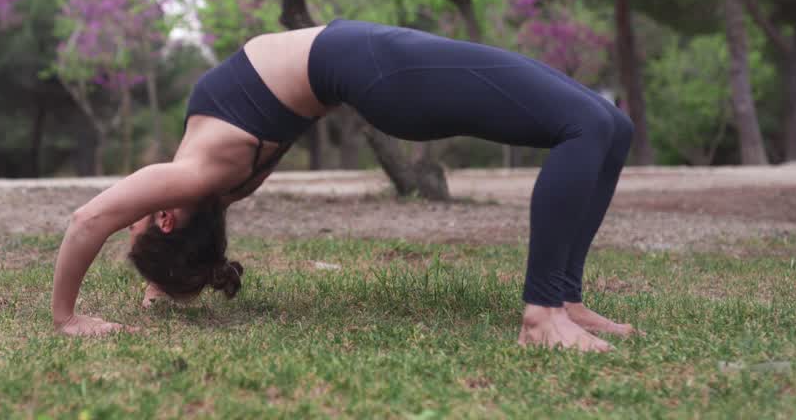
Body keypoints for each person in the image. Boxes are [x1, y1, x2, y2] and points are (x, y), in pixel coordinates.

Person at [51, 19, 637, 352]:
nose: (131, 214)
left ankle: (567, 301)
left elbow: (165, 240)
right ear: (164, 218)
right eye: (139, 225)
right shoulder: (195, 176)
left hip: (378, 68)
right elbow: (87, 221)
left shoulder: (212, 188)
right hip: (382, 70)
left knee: (613, 125)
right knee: (584, 125)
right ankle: (541, 316)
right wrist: (66, 317)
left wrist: (162, 281)